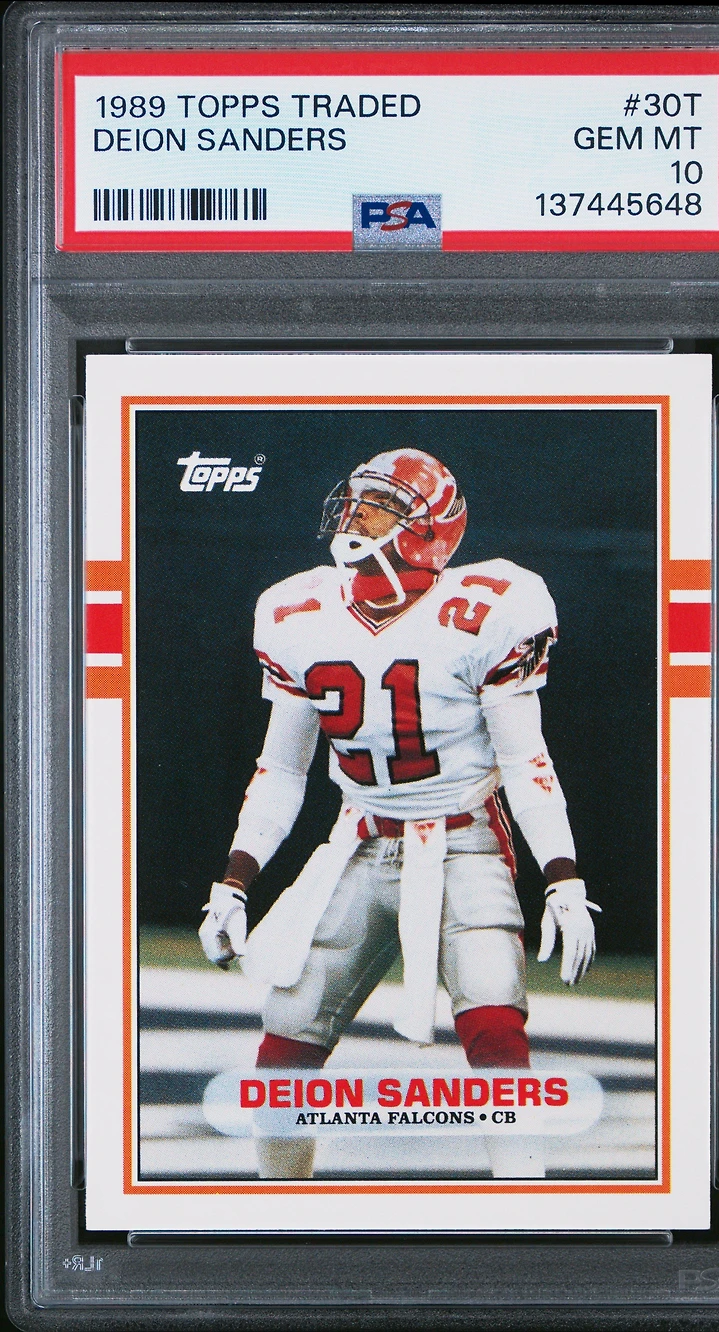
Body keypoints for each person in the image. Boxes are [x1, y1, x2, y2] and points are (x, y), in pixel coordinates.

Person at [199, 447, 599, 1180]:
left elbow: (526, 760)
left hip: (463, 843)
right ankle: (276, 1217)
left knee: (495, 1027)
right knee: (285, 1042)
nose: (357, 518)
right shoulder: (298, 612)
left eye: (382, 507)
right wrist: (234, 882)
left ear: (431, 531)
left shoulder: (486, 609)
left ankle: (529, 1210)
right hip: (358, 842)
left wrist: (563, 879)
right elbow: (281, 768)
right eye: (357, 502)